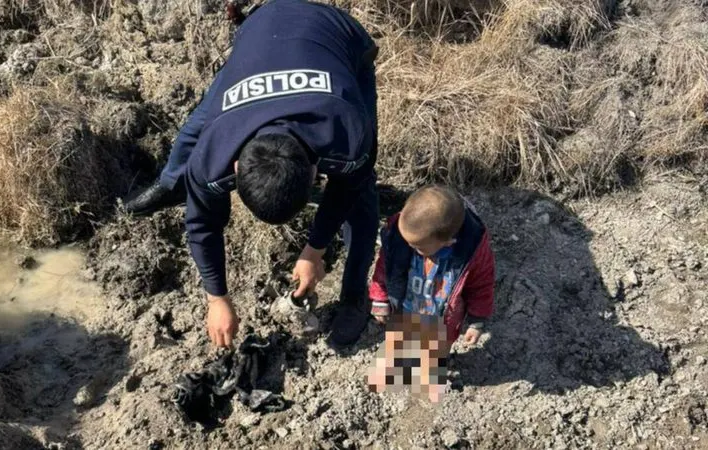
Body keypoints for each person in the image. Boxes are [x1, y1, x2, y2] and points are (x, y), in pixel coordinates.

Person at [124, 0, 380, 348]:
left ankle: (355, 296)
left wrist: (315, 250)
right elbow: (201, 226)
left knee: (363, 198)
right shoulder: (213, 153)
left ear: (316, 170)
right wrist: (216, 298)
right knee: (194, 130)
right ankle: (173, 184)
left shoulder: (348, 130)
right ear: (235, 166)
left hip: (336, 34)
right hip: (262, 31)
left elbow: (348, 188)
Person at [366, 185, 495, 401]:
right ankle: (400, 366)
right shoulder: (400, 234)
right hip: (408, 304)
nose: (410, 247)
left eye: (418, 248)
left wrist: (477, 320)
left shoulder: (471, 251)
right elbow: (385, 266)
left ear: (448, 242)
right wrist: (380, 297)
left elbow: (481, 285)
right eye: (408, 242)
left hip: (443, 316)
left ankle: (430, 373)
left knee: (437, 348)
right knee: (402, 339)